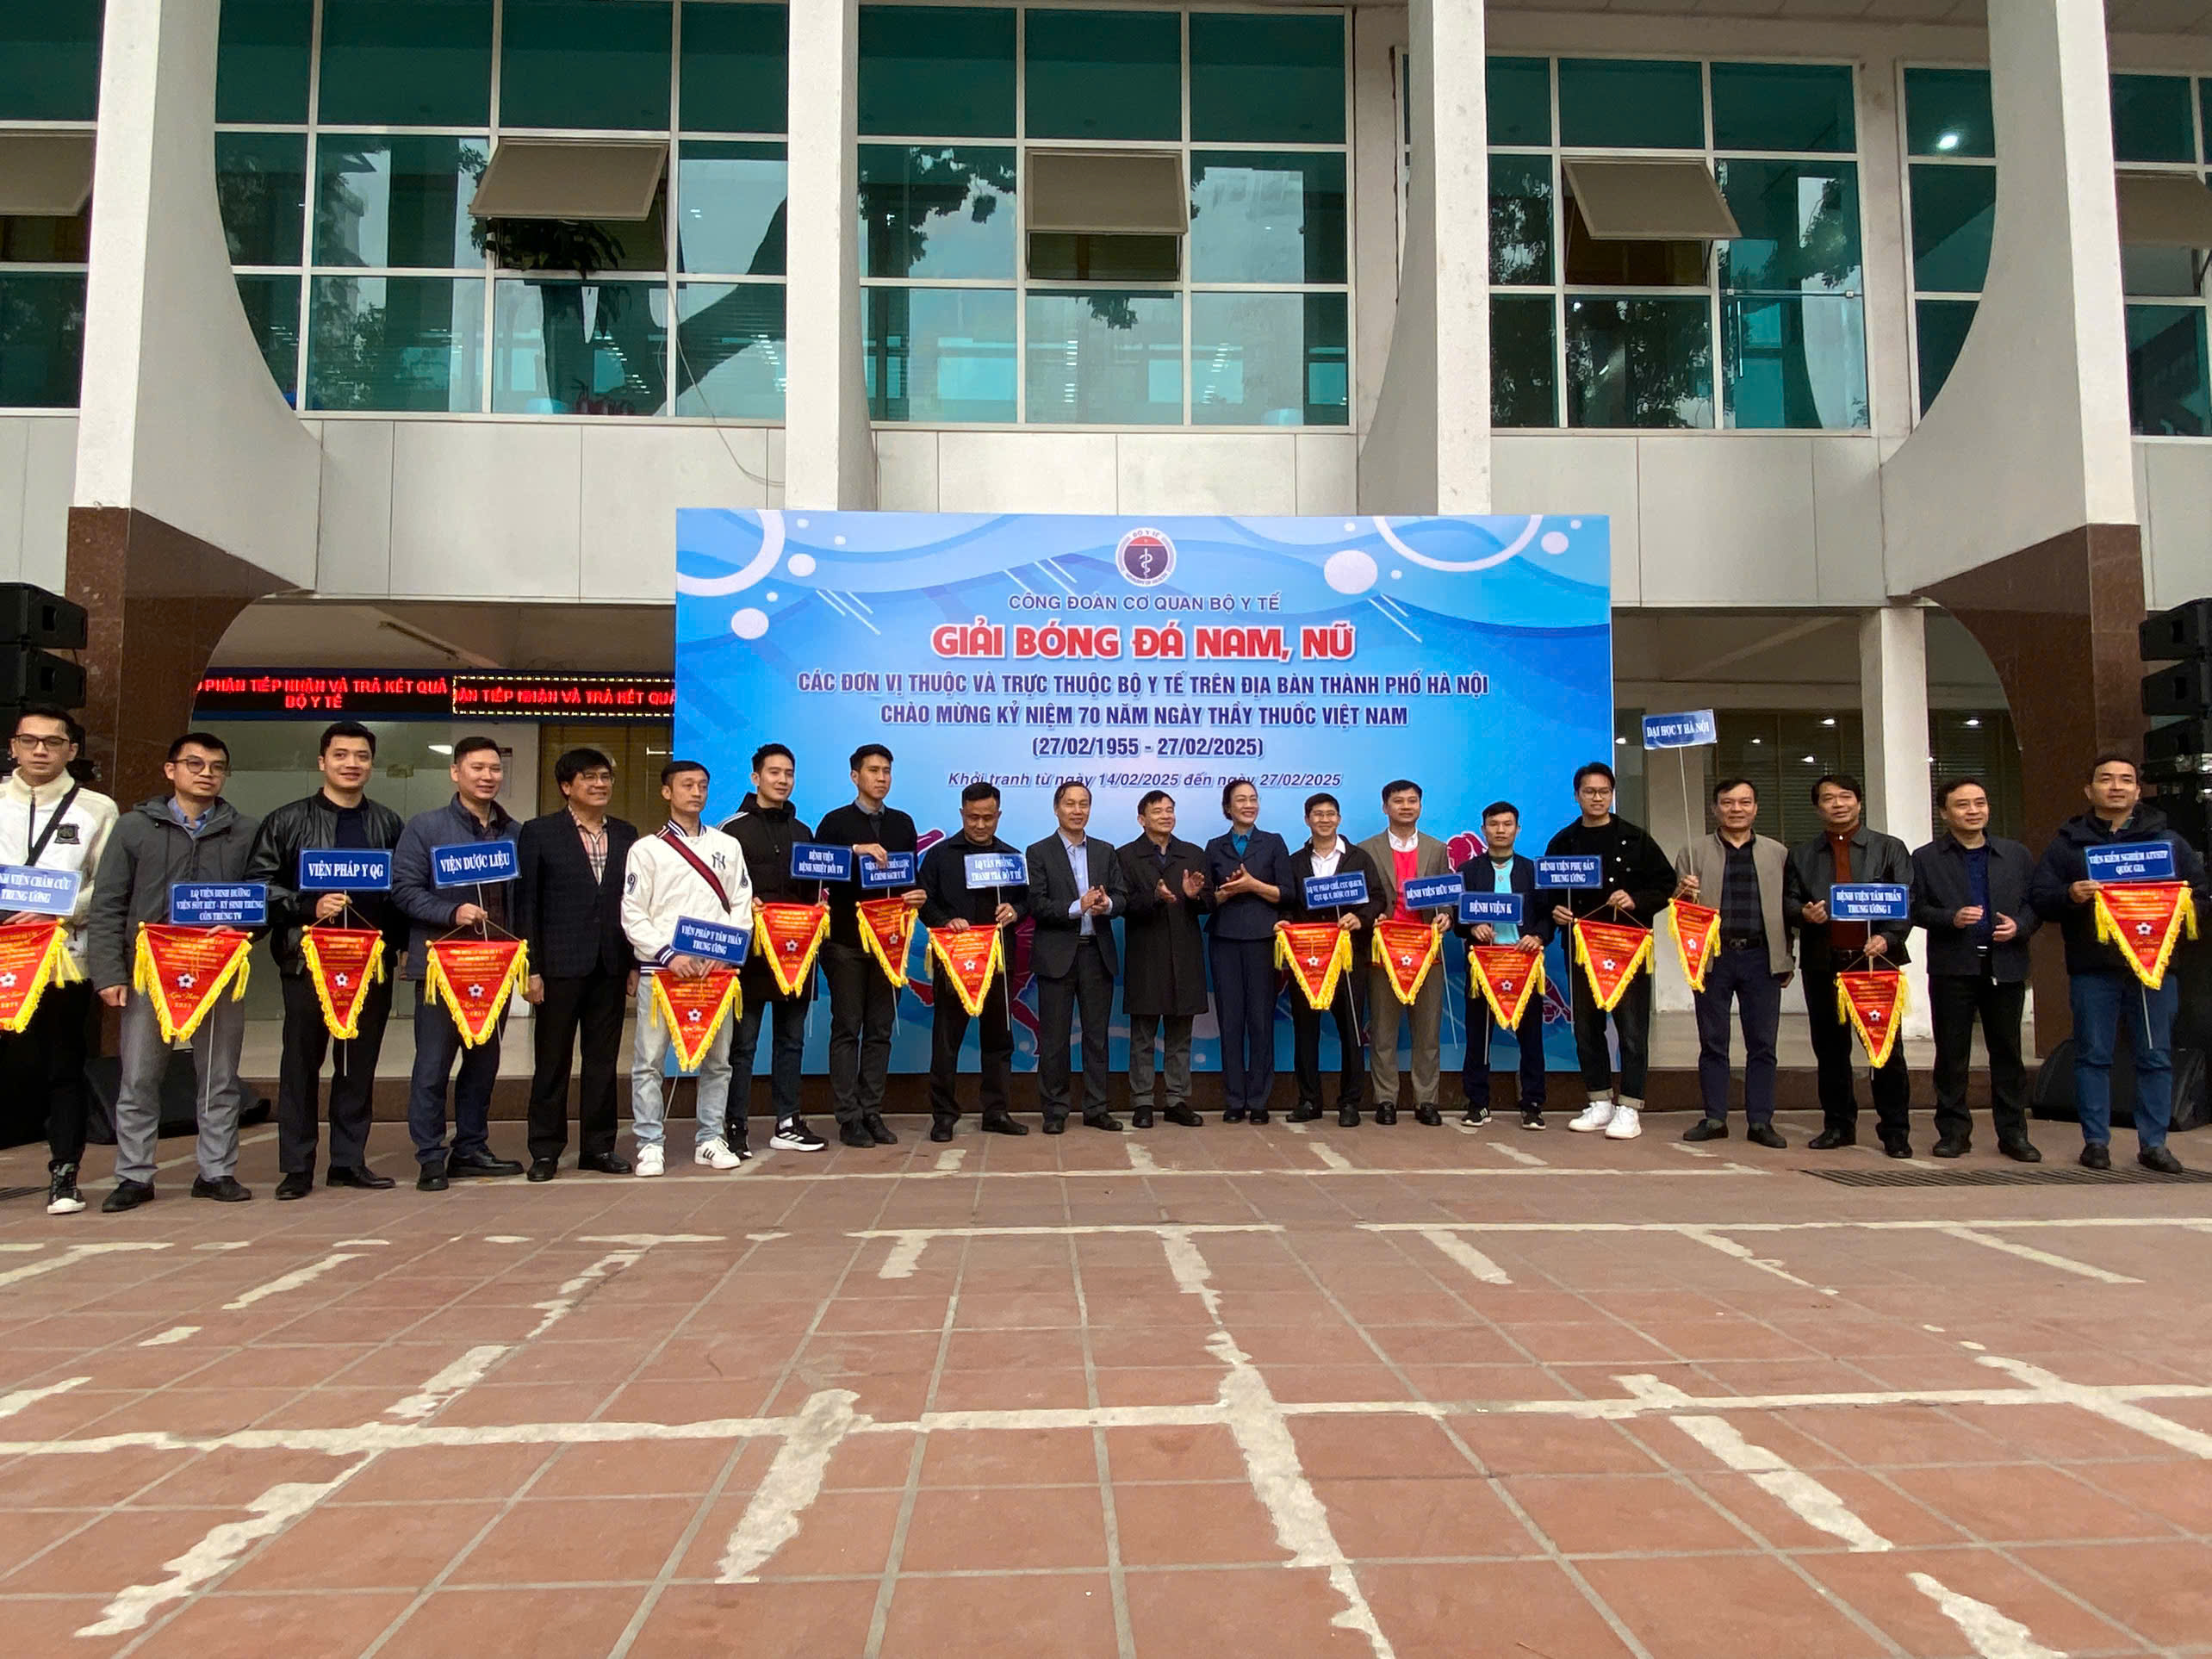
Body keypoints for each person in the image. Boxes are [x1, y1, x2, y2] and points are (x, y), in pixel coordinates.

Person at [85, 732, 261, 1210]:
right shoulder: (134, 827)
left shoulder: (244, 830)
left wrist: (244, 924)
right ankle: (134, 1175)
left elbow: (263, 895)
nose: (206, 774)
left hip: (218, 968)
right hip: (149, 971)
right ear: (171, 770)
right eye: (195, 764)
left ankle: (216, 1171)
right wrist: (108, 973)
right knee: (140, 1077)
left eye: (217, 767)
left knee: (219, 1076)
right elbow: (108, 903)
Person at [245, 720, 407, 1200]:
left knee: (358, 1065)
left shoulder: (388, 823)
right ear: (322, 762)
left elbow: (400, 893)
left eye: (361, 756)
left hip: (369, 962)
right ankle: (296, 1167)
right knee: (301, 1064)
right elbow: (258, 888)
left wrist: (399, 947)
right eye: (341, 755)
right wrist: (305, 905)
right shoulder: (286, 820)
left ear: (371, 765)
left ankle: (348, 1161)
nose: (351, 764)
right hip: (307, 961)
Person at [2031, 754, 2209, 1173]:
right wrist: (2070, 895)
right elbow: (2040, 897)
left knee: (2156, 1055)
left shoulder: (2168, 842)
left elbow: (2201, 895)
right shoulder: (2069, 843)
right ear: (2089, 790)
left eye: (2126, 780)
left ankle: (2154, 1144)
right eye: (2106, 779)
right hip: (2093, 967)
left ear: (2138, 790)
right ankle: (2095, 1142)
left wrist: (2173, 909)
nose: (2116, 787)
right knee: (2093, 1055)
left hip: (2153, 968)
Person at [391, 735, 525, 1191]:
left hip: (494, 967)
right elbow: (403, 890)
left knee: (483, 1065)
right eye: (477, 768)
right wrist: (451, 912)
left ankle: (471, 1147)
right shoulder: (425, 827)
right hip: (442, 968)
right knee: (432, 1065)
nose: (488, 777)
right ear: (455, 772)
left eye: (495, 769)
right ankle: (431, 1156)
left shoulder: (514, 833)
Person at [0, 706, 116, 1216]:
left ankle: (65, 1175)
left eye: (53, 742)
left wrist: (59, 908)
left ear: (72, 750)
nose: (40, 750)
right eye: (30, 741)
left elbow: (107, 884)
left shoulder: (97, 808)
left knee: (63, 1067)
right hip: (5, 955)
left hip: (65, 958)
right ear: (13, 747)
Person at [625, 759, 755, 1176]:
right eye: (687, 785)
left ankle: (710, 1139)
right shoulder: (646, 849)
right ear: (667, 792)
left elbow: (742, 906)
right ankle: (649, 1143)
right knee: (649, 1061)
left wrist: (725, 951)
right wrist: (668, 954)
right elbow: (633, 912)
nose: (696, 792)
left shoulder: (727, 846)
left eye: (702, 785)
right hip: (662, 971)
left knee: (718, 1061)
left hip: (715, 972)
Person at [516, 748, 639, 1181]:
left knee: (603, 1062)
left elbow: (632, 903)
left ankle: (598, 1147)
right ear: (567, 786)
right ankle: (545, 1150)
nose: (599, 784)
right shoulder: (539, 832)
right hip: (558, 967)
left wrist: (633, 962)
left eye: (605, 777)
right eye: (589, 777)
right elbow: (527, 904)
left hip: (610, 964)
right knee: (552, 1062)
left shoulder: (626, 834)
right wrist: (530, 968)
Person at [1912, 777, 2041, 1161]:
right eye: (1963, 805)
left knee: (2008, 1054)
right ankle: (1954, 1133)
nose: (1973, 811)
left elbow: (2035, 904)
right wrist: (1950, 918)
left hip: (2006, 965)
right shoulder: (1926, 858)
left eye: (1980, 803)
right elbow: (1914, 908)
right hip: (1953, 966)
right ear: (1944, 813)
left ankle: (2014, 1134)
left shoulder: (2015, 854)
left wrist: (2020, 925)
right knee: (1952, 1055)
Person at [1545, 761, 1675, 1141]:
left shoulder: (1636, 839)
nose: (1597, 798)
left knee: (1632, 1030)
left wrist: (1635, 899)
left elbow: (1666, 885)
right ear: (1577, 795)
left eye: (1604, 792)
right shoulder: (1563, 842)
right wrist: (1556, 910)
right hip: (1581, 949)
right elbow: (1548, 892)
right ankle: (1599, 1100)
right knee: (1587, 1028)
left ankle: (1630, 1106)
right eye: (1589, 792)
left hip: (1626, 949)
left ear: (1612, 794)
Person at [1787, 774, 1915, 1154]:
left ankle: (1895, 1130)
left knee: (1886, 1049)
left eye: (1845, 796)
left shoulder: (1889, 848)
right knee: (1830, 1051)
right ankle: (1839, 1125)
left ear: (1859, 802)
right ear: (1817, 808)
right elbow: (1787, 901)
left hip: (1875, 962)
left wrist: (1889, 937)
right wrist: (1803, 913)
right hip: (1824, 963)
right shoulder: (1802, 854)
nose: (1838, 804)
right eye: (1828, 798)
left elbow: (1908, 899)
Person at [815, 743, 926, 1146]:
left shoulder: (902, 823)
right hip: (844, 942)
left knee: (880, 1031)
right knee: (848, 1028)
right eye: (874, 770)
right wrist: (853, 851)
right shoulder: (835, 822)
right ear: (855, 776)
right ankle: (848, 1117)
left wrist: (918, 894)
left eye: (886, 771)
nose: (881, 778)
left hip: (889, 944)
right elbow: (816, 868)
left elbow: (909, 876)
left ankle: (872, 1112)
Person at [1675, 779, 1794, 1148]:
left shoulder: (1778, 853)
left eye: (1744, 802)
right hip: (1714, 957)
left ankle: (1760, 1121)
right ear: (1715, 809)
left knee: (1763, 1043)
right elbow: (1681, 911)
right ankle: (1714, 1118)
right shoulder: (1693, 852)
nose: (1736, 809)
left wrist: (1787, 957)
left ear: (1756, 808)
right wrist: (1682, 893)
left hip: (1762, 956)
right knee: (1713, 1041)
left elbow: (1789, 910)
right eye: (1728, 803)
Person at [722, 743, 830, 1152]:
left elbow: (815, 886)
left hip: (796, 954)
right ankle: (735, 1127)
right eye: (774, 773)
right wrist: (743, 906)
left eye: (788, 774)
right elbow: (717, 891)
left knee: (791, 1041)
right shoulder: (731, 830)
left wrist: (820, 905)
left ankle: (788, 1122)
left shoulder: (804, 832)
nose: (782, 780)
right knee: (743, 1046)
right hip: (749, 956)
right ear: (756, 777)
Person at [918, 781, 1030, 1141]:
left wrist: (1015, 910)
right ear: (961, 814)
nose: (980, 825)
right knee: (946, 1040)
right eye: (972, 817)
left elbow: (1028, 900)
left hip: (998, 961)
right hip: (954, 960)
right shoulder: (939, 856)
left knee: (999, 1039)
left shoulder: (1011, 858)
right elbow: (924, 901)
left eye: (988, 818)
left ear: (999, 815)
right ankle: (943, 1116)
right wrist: (944, 920)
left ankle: (996, 1112)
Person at [1026, 780, 1129, 1134]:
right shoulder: (1038, 852)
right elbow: (1037, 905)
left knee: (1096, 1038)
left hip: (1096, 954)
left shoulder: (1105, 851)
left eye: (1083, 804)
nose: (1077, 810)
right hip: (1056, 956)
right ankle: (1055, 1112)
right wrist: (1077, 906)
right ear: (1057, 808)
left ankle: (1097, 1108)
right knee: (1054, 1040)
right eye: (1070, 804)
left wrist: (1107, 904)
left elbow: (1122, 897)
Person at [1357, 780, 1454, 1125]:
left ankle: (1426, 1100)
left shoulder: (1437, 848)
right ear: (1386, 807)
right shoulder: (1366, 849)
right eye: (1398, 801)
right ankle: (1386, 1100)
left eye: (1413, 801)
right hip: (1384, 953)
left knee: (1427, 1032)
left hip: (1427, 952)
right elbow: (1363, 898)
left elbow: (1445, 896)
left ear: (1421, 807)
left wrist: (1446, 916)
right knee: (1383, 1032)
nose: (1406, 807)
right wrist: (1372, 917)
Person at [1283, 792, 1382, 1126]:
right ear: (1307, 819)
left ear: (1339, 819)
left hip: (1348, 957)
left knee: (1351, 1031)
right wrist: (1285, 923)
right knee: (1305, 1032)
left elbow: (1378, 898)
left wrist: (1361, 918)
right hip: (1307, 958)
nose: (1324, 820)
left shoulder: (1359, 858)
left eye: (1330, 814)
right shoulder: (1295, 861)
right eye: (1317, 814)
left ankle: (1350, 1102)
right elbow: (1287, 902)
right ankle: (1309, 1100)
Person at [1116, 790, 1211, 1128]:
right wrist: (1154, 897)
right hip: (1146, 955)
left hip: (1184, 955)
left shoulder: (1193, 854)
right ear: (1141, 819)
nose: (1166, 816)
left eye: (1170, 810)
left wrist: (1194, 897)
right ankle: (1142, 1101)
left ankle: (1177, 1100)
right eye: (1158, 811)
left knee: (1180, 1035)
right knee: (1142, 1036)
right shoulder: (1125, 856)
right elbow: (1122, 904)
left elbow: (1210, 902)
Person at [1456, 800, 1550, 1130]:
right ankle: (1477, 1103)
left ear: (1517, 829)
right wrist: (1472, 927)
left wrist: (1537, 936)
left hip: (1524, 964)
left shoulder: (1532, 871)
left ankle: (1533, 1105)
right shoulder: (1468, 871)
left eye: (1507, 824)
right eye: (1494, 824)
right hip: (1484, 964)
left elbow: (1547, 917)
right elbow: (1457, 917)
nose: (1500, 830)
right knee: (1478, 1037)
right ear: (1483, 830)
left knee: (1531, 1038)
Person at [1205, 779, 1290, 1124]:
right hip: (1224, 939)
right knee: (1230, 1021)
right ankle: (1234, 1099)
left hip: (1263, 939)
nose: (1248, 805)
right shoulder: (1214, 846)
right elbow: (1206, 899)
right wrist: (1224, 893)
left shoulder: (1274, 842)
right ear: (1228, 808)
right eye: (1240, 800)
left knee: (1260, 1021)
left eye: (1253, 799)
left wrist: (1254, 885)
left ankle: (1258, 1100)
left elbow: (1288, 893)